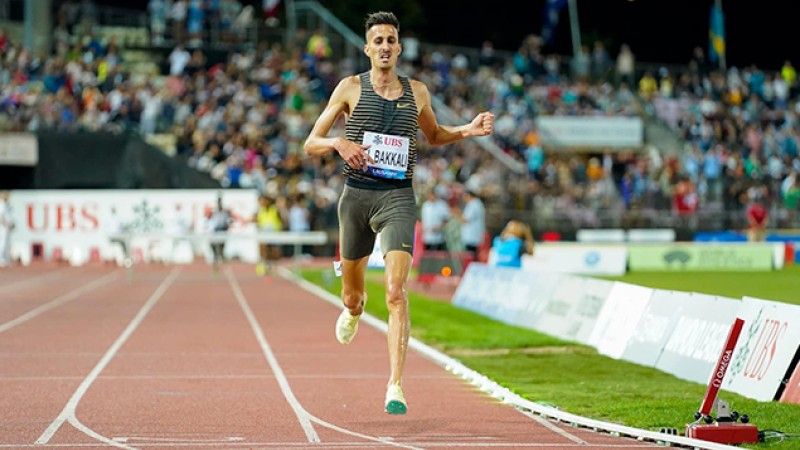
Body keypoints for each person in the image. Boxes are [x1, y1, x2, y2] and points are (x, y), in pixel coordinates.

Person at [303, 11, 493, 415]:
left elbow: (434, 135)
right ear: (367, 49)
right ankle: (352, 309)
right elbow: (310, 142)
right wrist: (338, 143)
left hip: (398, 199)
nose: (385, 46)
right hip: (356, 198)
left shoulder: (417, 92)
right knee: (353, 296)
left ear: (400, 48)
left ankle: (395, 385)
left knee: (395, 291)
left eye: (391, 40)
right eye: (379, 41)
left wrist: (467, 129)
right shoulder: (350, 88)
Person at [456, 189, 485, 261]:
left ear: (469, 196)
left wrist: (456, 213)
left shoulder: (474, 205)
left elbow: (465, 220)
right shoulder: (474, 204)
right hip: (471, 236)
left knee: (471, 256)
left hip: (472, 236)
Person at [0, 191, 14, 267]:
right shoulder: (1, 204)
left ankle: (6, 259)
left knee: (7, 243)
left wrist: (10, 224)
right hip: (2, 226)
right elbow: (1, 216)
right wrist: (5, 223)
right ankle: (1, 259)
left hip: (6, 227)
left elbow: (9, 216)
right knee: (2, 243)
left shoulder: (7, 204)